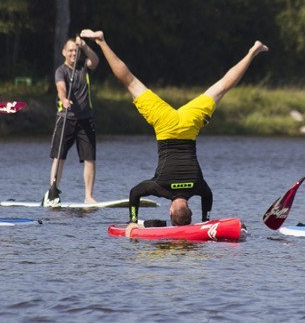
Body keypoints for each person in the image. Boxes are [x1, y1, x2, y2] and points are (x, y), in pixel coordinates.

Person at [79, 29, 268, 236]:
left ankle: (252, 51)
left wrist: (205, 220)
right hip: (165, 125)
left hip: (188, 126)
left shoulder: (198, 185)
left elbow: (208, 195)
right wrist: (132, 220)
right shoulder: (160, 186)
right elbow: (135, 193)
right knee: (130, 82)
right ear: (170, 210)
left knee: (221, 86)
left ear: (186, 209)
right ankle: (102, 41)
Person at [46, 36, 100, 206]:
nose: (73, 53)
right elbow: (61, 88)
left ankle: (88, 197)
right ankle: (53, 193)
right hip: (66, 119)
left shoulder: (85, 67)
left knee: (90, 159)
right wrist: (64, 99)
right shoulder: (61, 71)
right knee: (59, 157)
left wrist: (84, 46)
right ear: (64, 52)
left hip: (86, 120)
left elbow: (95, 60)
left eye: (75, 51)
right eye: (70, 50)